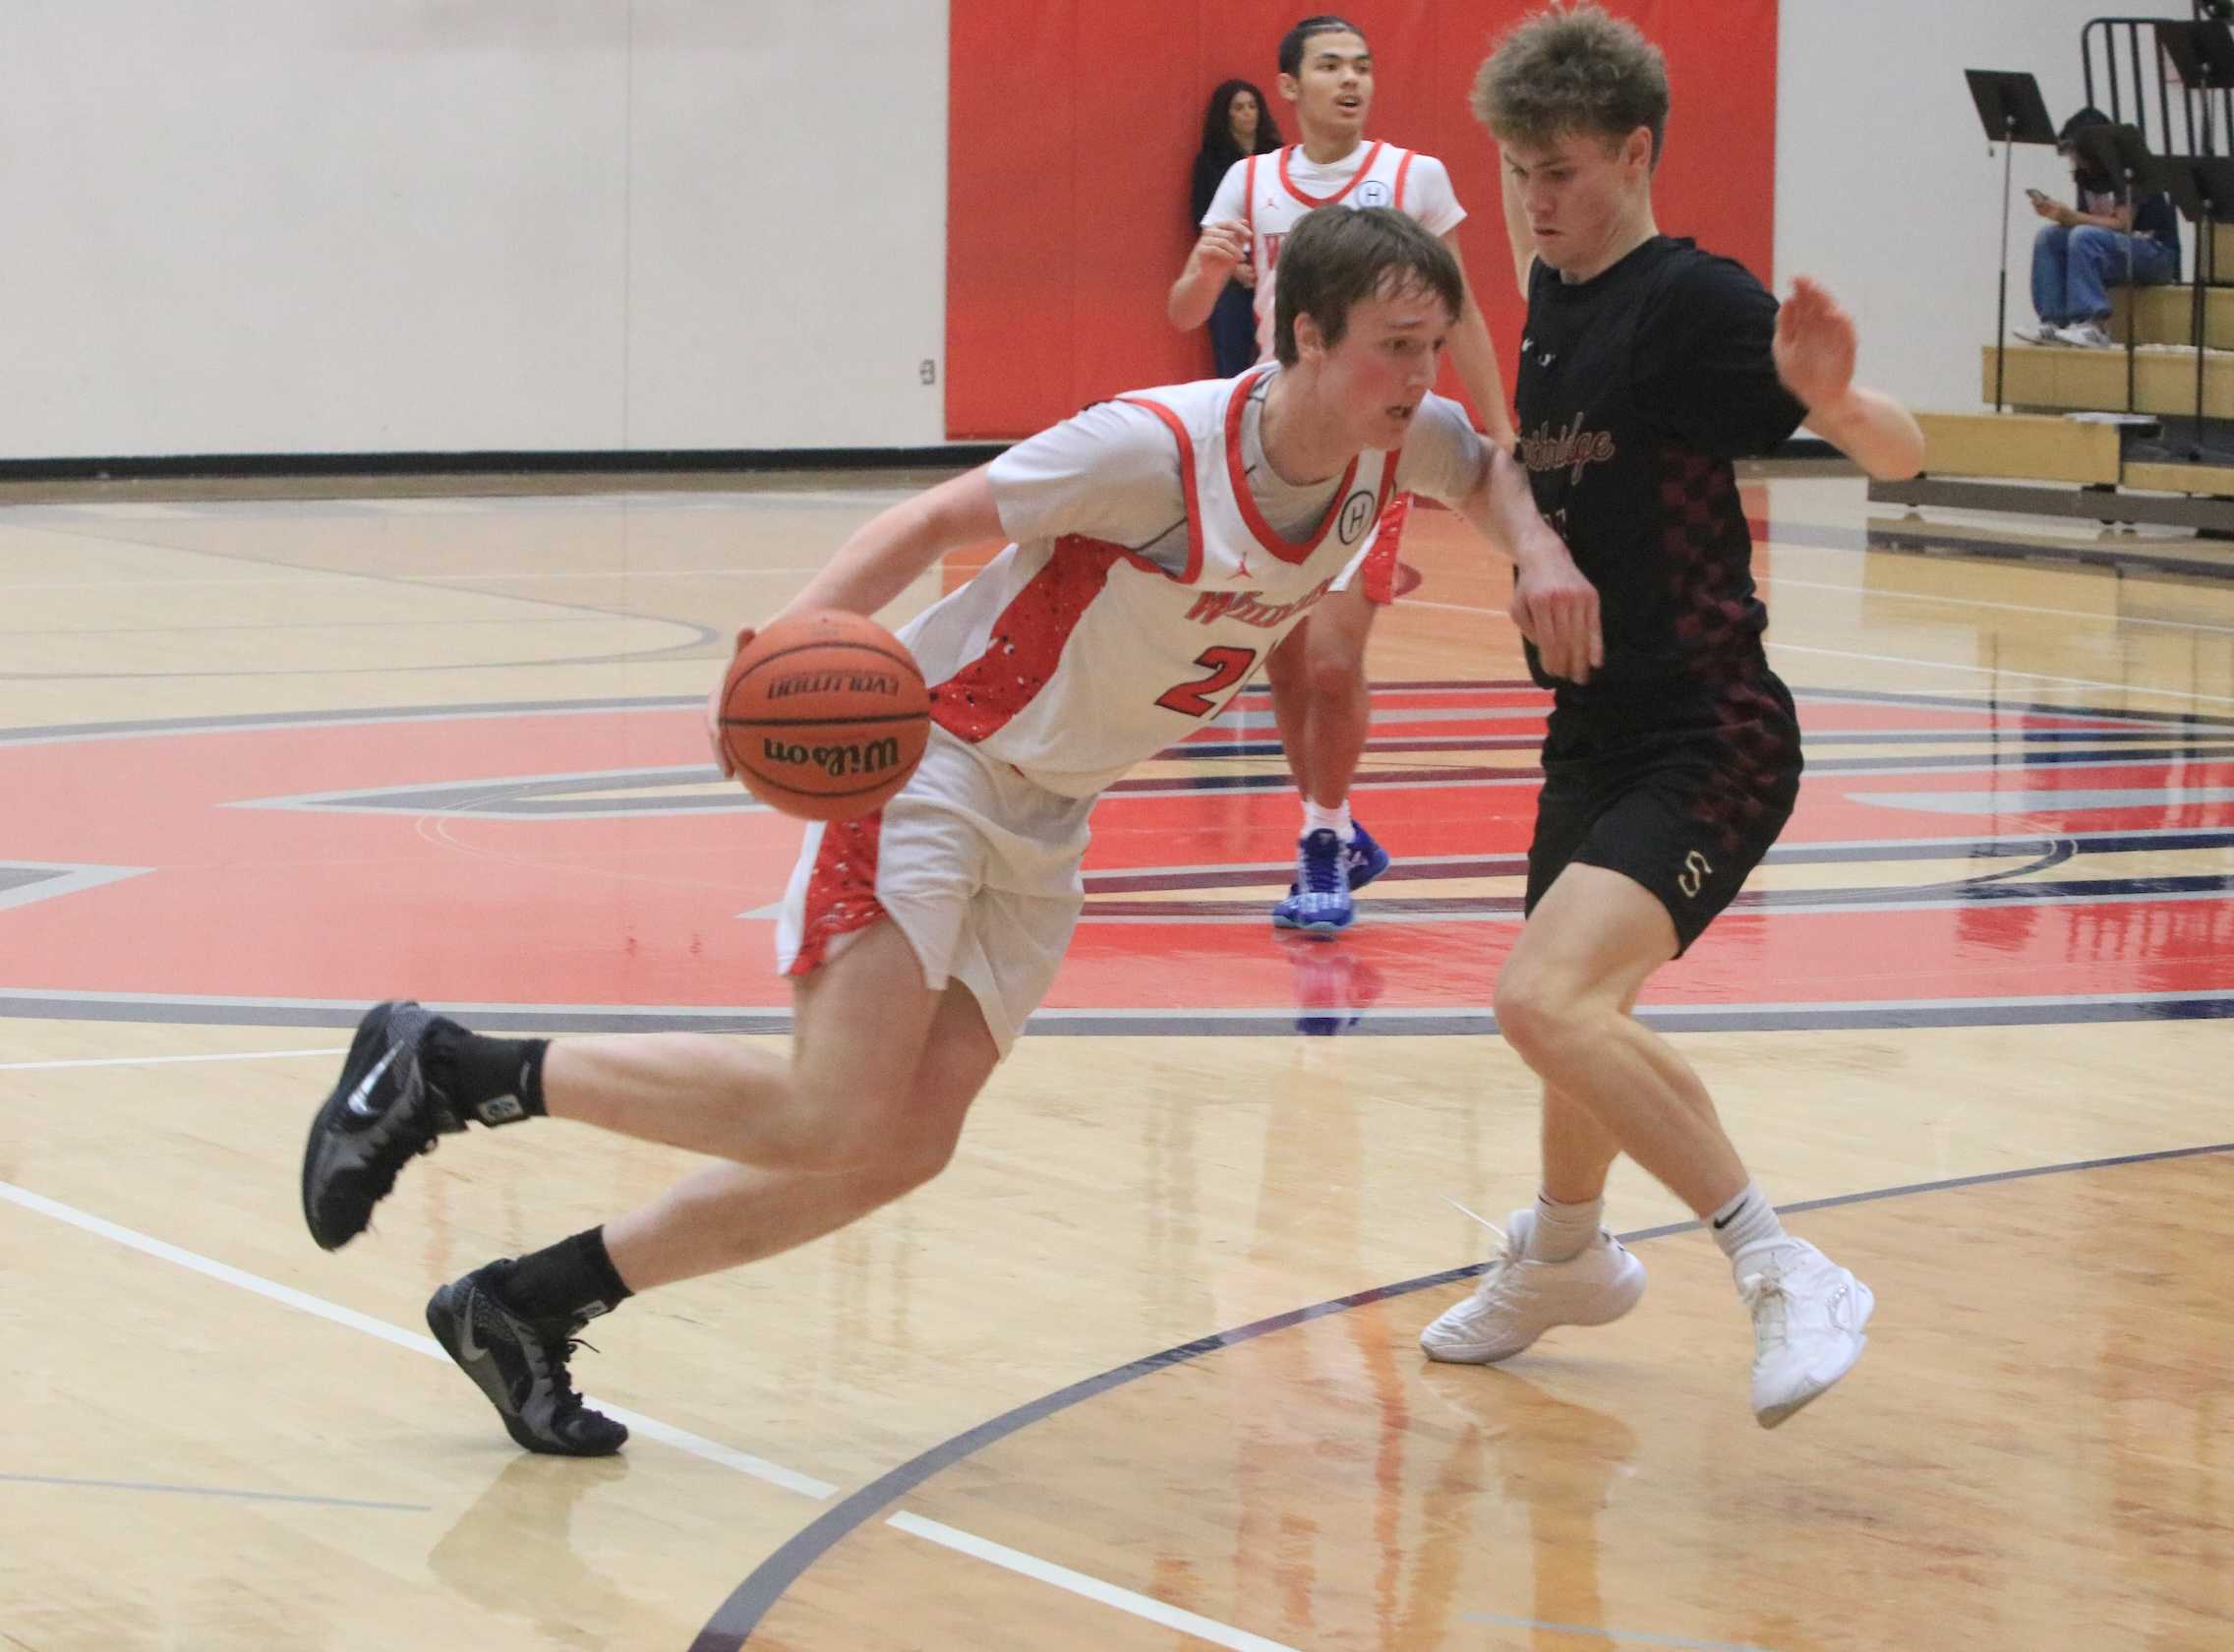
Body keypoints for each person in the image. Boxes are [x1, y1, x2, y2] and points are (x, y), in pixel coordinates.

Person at [295, 206, 1603, 1456]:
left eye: (1433, 346)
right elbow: (931, 519)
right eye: (1395, 345)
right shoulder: (1151, 452)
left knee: (903, 1144)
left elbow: (1485, 470)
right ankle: (448, 1068)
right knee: (831, 1104)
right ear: (1305, 337)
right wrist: (774, 651)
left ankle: (529, 1302)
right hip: (935, 763)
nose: (1424, 375)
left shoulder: (1402, 435)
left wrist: (1536, 549)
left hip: (1051, 813)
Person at [1418, 4, 1925, 1429]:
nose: (1535, 200)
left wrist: (1831, 396)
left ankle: (1780, 1264)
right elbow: (1521, 471)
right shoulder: (1556, 299)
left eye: (1562, 171)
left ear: (1637, 153)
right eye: (1520, 171)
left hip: (1713, 731)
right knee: (1577, 1017)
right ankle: (1568, 1253)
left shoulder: (1691, 301)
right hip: (1592, 726)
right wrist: (1533, 546)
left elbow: (1899, 448)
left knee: (1543, 999)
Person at [1168, 15, 1520, 936]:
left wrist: (1502, 430)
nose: (1350, 80)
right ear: (1289, 87)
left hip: (1373, 442)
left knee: (1331, 662)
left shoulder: (1412, 178)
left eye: (1362, 66)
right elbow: (1184, 309)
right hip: (1275, 445)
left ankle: (1321, 842)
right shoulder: (1249, 180)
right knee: (1284, 667)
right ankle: (1330, 820)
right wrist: (1207, 272)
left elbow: (1468, 310)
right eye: (1329, 67)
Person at [2017, 107, 2183, 350]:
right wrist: (2064, 217)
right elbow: (2086, 225)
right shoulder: (2086, 177)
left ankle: (2095, 324)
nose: (2074, 161)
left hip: (2153, 250)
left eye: (2076, 153)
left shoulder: (2128, 167)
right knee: (2049, 237)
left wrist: (2071, 217)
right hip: (2114, 250)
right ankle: (2053, 321)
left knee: (2083, 236)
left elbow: (2123, 224)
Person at [1193, 79, 1285, 378]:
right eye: (1238, 108)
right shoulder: (1212, 162)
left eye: (1252, 106)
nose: (1248, 114)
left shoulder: (1278, 156)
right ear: (1226, 115)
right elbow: (1203, 220)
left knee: (1281, 358)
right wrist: (1234, 267)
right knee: (1231, 362)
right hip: (1231, 274)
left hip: (1274, 271)